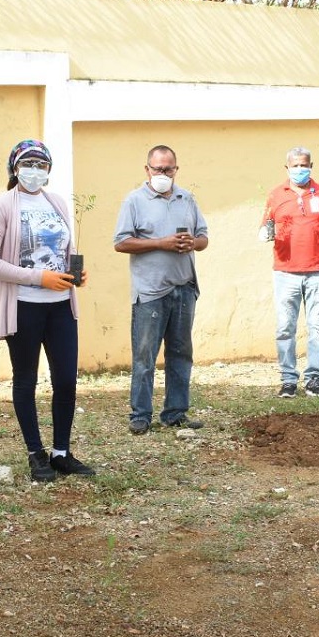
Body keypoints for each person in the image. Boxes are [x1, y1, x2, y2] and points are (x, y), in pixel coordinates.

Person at [0, 139, 94, 482]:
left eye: (41, 165)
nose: (34, 170)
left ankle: (61, 452)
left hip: (60, 307)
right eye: (27, 164)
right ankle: (35, 453)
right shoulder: (1, 206)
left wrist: (73, 274)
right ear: (15, 168)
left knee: (66, 380)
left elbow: (62, 249)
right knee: (26, 379)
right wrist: (39, 277)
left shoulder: (56, 202)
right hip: (24, 307)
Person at [114, 145, 209, 435]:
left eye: (169, 169)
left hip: (184, 288)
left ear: (176, 169)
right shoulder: (134, 201)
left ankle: (175, 412)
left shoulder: (186, 198)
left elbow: (203, 237)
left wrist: (192, 243)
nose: (163, 174)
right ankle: (140, 414)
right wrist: (160, 243)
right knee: (145, 356)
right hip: (150, 292)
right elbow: (121, 242)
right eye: (158, 169)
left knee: (181, 354)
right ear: (147, 170)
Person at [259, 147, 319, 398]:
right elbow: (265, 226)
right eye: (295, 166)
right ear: (287, 168)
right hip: (285, 272)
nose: (299, 169)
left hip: (317, 271)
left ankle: (315, 378)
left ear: (311, 166)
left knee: (317, 327)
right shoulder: (275, 195)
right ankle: (288, 379)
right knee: (285, 327)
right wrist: (265, 232)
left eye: (304, 165)